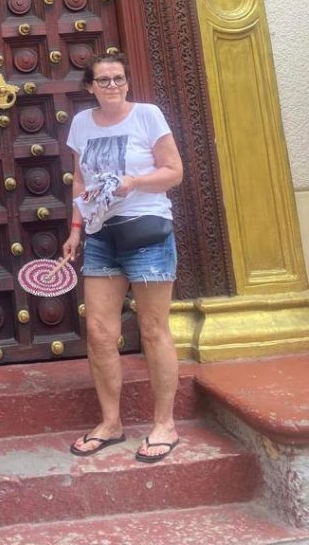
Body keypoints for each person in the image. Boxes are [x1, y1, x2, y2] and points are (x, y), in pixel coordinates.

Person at [62, 52, 184, 464]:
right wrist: (75, 229)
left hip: (146, 231)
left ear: (127, 83)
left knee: (152, 330)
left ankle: (164, 423)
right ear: (89, 86)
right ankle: (111, 423)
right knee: (98, 332)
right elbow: (80, 180)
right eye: (104, 80)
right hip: (99, 236)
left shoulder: (147, 116)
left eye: (118, 78)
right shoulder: (81, 123)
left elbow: (173, 171)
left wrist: (134, 183)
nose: (112, 85)